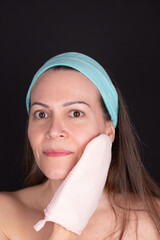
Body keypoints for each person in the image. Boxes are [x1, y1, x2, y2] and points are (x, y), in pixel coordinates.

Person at [0, 52, 160, 240]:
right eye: (41, 114)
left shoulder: (155, 217)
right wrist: (66, 225)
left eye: (76, 113)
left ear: (108, 132)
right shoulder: (4, 214)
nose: (53, 130)